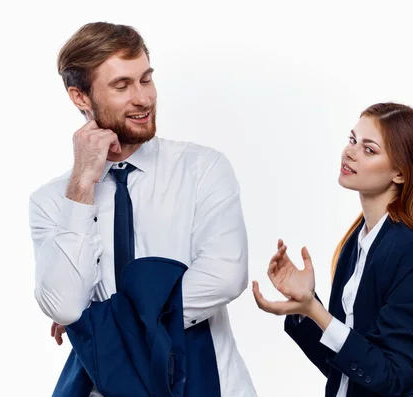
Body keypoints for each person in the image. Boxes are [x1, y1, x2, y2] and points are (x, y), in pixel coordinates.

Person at [28, 22, 256, 396]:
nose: (144, 98)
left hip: (207, 382)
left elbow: (225, 277)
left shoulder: (202, 169)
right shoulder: (54, 200)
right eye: (122, 86)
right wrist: (84, 181)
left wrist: (98, 324)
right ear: (79, 97)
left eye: (146, 79)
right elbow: (64, 307)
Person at [252, 102, 413, 397]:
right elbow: (346, 366)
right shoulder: (357, 243)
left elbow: (391, 376)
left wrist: (316, 312)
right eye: (352, 140)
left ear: (400, 173)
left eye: (369, 149)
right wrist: (307, 306)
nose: (350, 152)